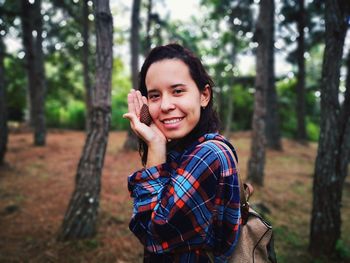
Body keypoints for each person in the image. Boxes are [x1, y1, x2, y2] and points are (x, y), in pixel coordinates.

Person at [123, 43, 241, 262]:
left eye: (177, 91)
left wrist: (156, 146)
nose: (166, 105)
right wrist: (156, 142)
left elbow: (153, 235)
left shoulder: (207, 155)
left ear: (204, 95)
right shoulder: (185, 149)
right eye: (155, 96)